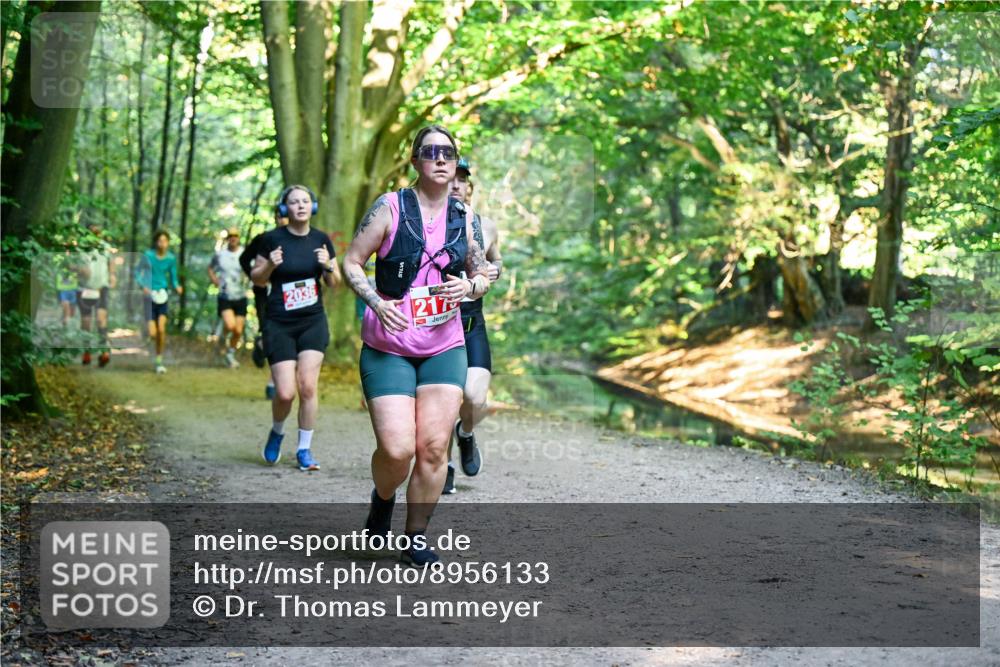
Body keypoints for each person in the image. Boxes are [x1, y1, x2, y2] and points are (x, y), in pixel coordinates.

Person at [343, 125, 492, 567]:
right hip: (388, 343)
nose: (441, 159)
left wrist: (469, 287)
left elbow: (482, 273)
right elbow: (351, 261)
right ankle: (382, 499)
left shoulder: (465, 218)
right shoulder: (390, 207)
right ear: (416, 161)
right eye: (431, 152)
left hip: (445, 345)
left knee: (432, 448)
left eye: (448, 152)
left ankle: (415, 536)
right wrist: (373, 299)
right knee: (397, 449)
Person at [251, 185, 341, 472]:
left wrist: (327, 266)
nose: (300, 206)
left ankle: (304, 450)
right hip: (279, 323)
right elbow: (257, 279)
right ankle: (277, 431)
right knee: (286, 392)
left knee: (308, 386)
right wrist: (270, 267)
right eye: (293, 202)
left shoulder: (321, 240)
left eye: (305, 201)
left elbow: (335, 283)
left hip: (312, 322)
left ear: (312, 206)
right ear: (284, 208)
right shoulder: (271, 239)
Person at [443, 158, 502, 494]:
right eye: (451, 178)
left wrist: (495, 270)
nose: (456, 185)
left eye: (462, 180)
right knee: (446, 399)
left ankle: (465, 433)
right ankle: (445, 465)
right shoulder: (426, 223)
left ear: (469, 188)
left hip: (471, 321)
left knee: (474, 397)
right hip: (437, 324)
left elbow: (496, 259)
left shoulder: (486, 225)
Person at [241, 204, 289, 399]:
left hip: (288, 295)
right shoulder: (263, 239)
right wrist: (257, 278)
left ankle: (273, 380)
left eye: (284, 216)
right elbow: (244, 259)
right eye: (278, 216)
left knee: (283, 334)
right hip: (264, 293)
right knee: (270, 330)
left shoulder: (300, 240)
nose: (281, 219)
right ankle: (262, 343)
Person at [136, 229, 182, 374]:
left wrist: (177, 286)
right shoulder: (148, 256)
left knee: (161, 329)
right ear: (156, 242)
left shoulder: (171, 259)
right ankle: (147, 334)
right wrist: (143, 285)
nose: (162, 244)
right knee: (153, 333)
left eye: (165, 241)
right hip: (149, 297)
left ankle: (158, 360)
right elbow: (137, 272)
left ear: (168, 243)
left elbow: (173, 276)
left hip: (162, 296)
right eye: (160, 240)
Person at [209, 227, 250, 368]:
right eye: (230, 236)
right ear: (227, 239)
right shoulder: (220, 255)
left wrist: (248, 277)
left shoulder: (245, 253)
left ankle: (230, 354)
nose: (233, 238)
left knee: (238, 330)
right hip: (225, 296)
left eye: (236, 236)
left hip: (240, 296)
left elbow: (250, 269)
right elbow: (210, 268)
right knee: (230, 325)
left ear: (239, 238)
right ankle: (221, 338)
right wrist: (215, 280)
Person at [77, 224, 117, 367]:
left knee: (101, 320)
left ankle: (104, 351)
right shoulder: (80, 248)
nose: (96, 233)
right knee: (86, 322)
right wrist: (79, 269)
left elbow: (111, 261)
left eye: (98, 231)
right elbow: (68, 264)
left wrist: (112, 275)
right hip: (84, 288)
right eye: (93, 230)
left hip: (102, 287)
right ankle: (86, 351)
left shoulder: (105, 247)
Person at [55, 251, 79, 330]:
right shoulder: (59, 257)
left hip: (73, 289)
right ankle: (65, 328)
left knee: (72, 313)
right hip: (62, 289)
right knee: (67, 311)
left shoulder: (77, 258)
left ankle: (64, 323)